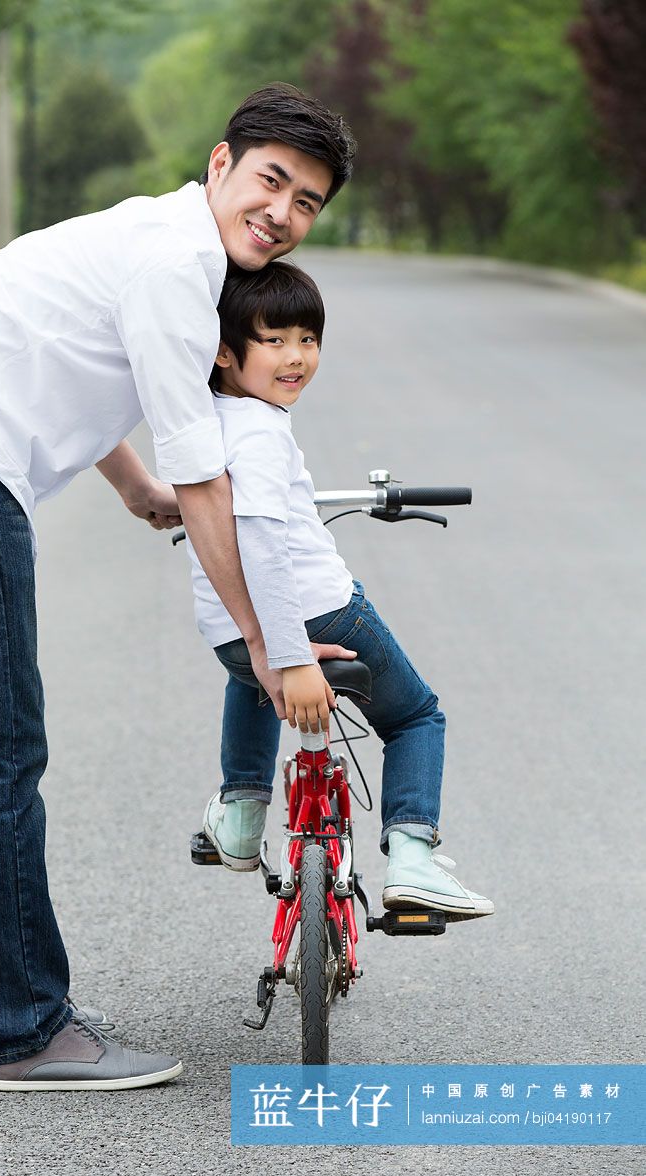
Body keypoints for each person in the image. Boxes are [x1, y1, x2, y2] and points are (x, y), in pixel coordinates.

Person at [0, 84, 358, 1091]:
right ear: (220, 165)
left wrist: (129, 488)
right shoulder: (178, 265)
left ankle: (27, 1001)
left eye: (308, 202)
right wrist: (267, 643)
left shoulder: (151, 241)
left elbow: (74, 367)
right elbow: (206, 475)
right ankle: (24, 1029)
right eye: (271, 181)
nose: (283, 212)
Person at [185, 261, 495, 919]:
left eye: (308, 338)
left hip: (227, 632)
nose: (295, 357)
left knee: (248, 680)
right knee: (414, 716)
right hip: (316, 610)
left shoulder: (202, 419)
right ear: (222, 348)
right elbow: (266, 544)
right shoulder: (262, 433)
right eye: (274, 339)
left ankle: (240, 814)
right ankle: (411, 856)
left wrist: (264, 645)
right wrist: (289, 651)